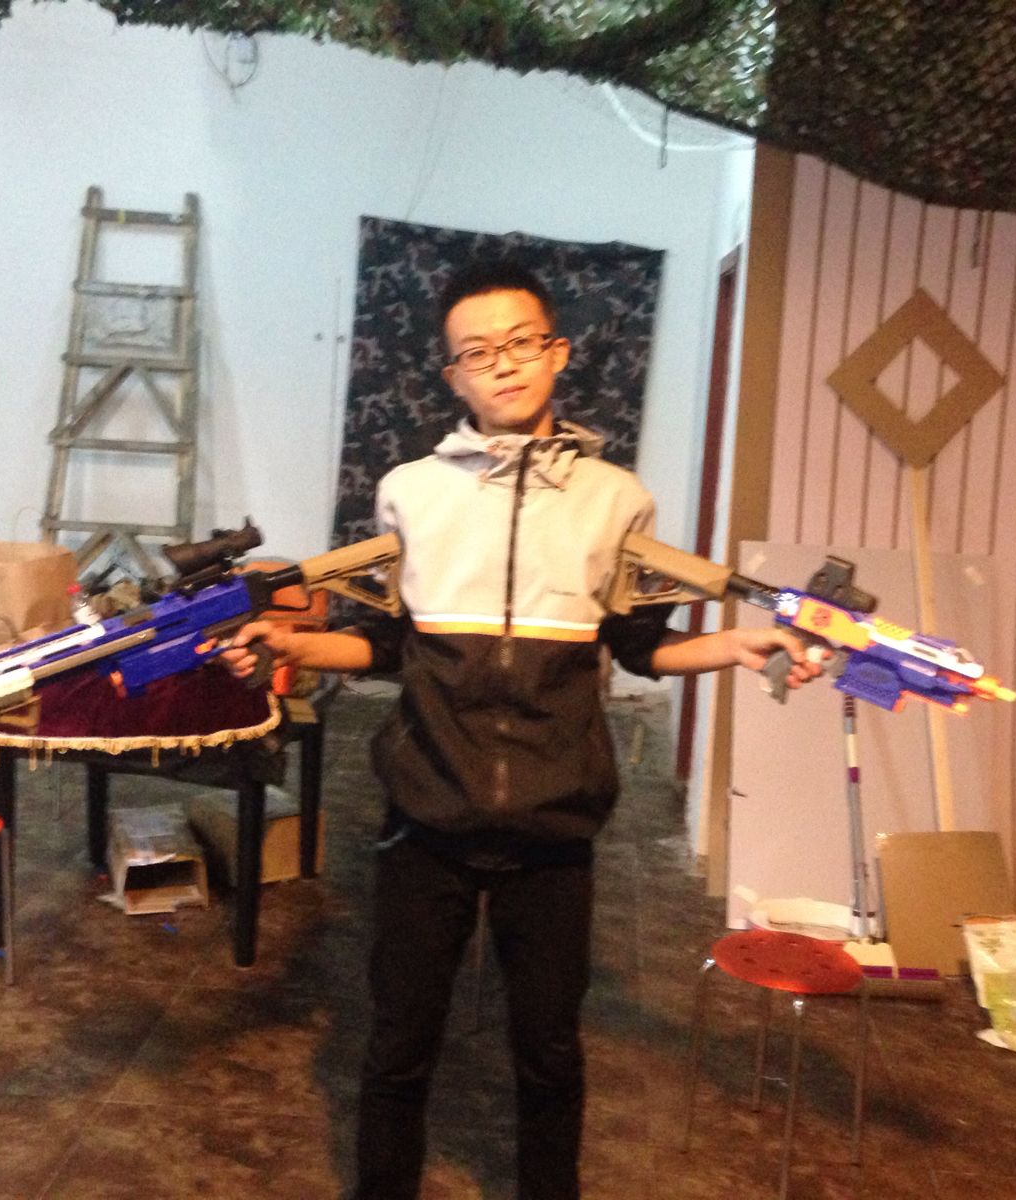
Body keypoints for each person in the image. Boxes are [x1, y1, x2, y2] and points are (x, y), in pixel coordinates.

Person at [221, 259, 819, 1200]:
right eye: (477, 352)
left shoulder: (616, 499)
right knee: (397, 1045)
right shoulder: (411, 491)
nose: (501, 363)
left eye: (520, 342)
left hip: (555, 825)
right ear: (453, 376)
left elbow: (640, 648)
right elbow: (385, 646)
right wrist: (288, 643)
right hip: (427, 816)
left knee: (549, 1051)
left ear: (557, 352)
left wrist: (739, 645)